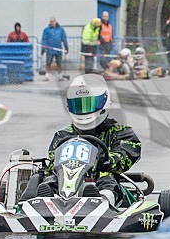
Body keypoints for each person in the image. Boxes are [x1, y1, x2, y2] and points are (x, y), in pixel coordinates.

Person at [43, 74, 141, 208]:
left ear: (104, 102)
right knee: (49, 179)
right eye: (79, 105)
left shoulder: (121, 133)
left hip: (100, 180)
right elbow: (53, 161)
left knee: (107, 180)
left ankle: (102, 200)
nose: (84, 111)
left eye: (89, 105)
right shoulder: (63, 135)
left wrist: (105, 159)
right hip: (65, 182)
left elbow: (126, 156)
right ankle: (44, 199)